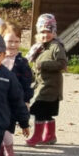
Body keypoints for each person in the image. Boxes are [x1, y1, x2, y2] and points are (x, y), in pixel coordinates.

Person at [25, 13, 67, 147]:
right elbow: (34, 66)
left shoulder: (56, 46)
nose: (45, 35)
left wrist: (43, 65)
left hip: (50, 88)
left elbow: (62, 64)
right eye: (42, 32)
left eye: (48, 31)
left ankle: (37, 136)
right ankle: (50, 136)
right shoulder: (39, 47)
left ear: (54, 32)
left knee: (38, 111)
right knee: (47, 113)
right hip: (41, 85)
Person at [0, 20, 34, 156]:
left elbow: (27, 82)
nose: (12, 45)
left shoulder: (21, 62)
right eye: (8, 41)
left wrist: (26, 100)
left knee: (7, 130)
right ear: (1, 41)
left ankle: (9, 154)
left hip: (12, 104)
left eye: (16, 41)